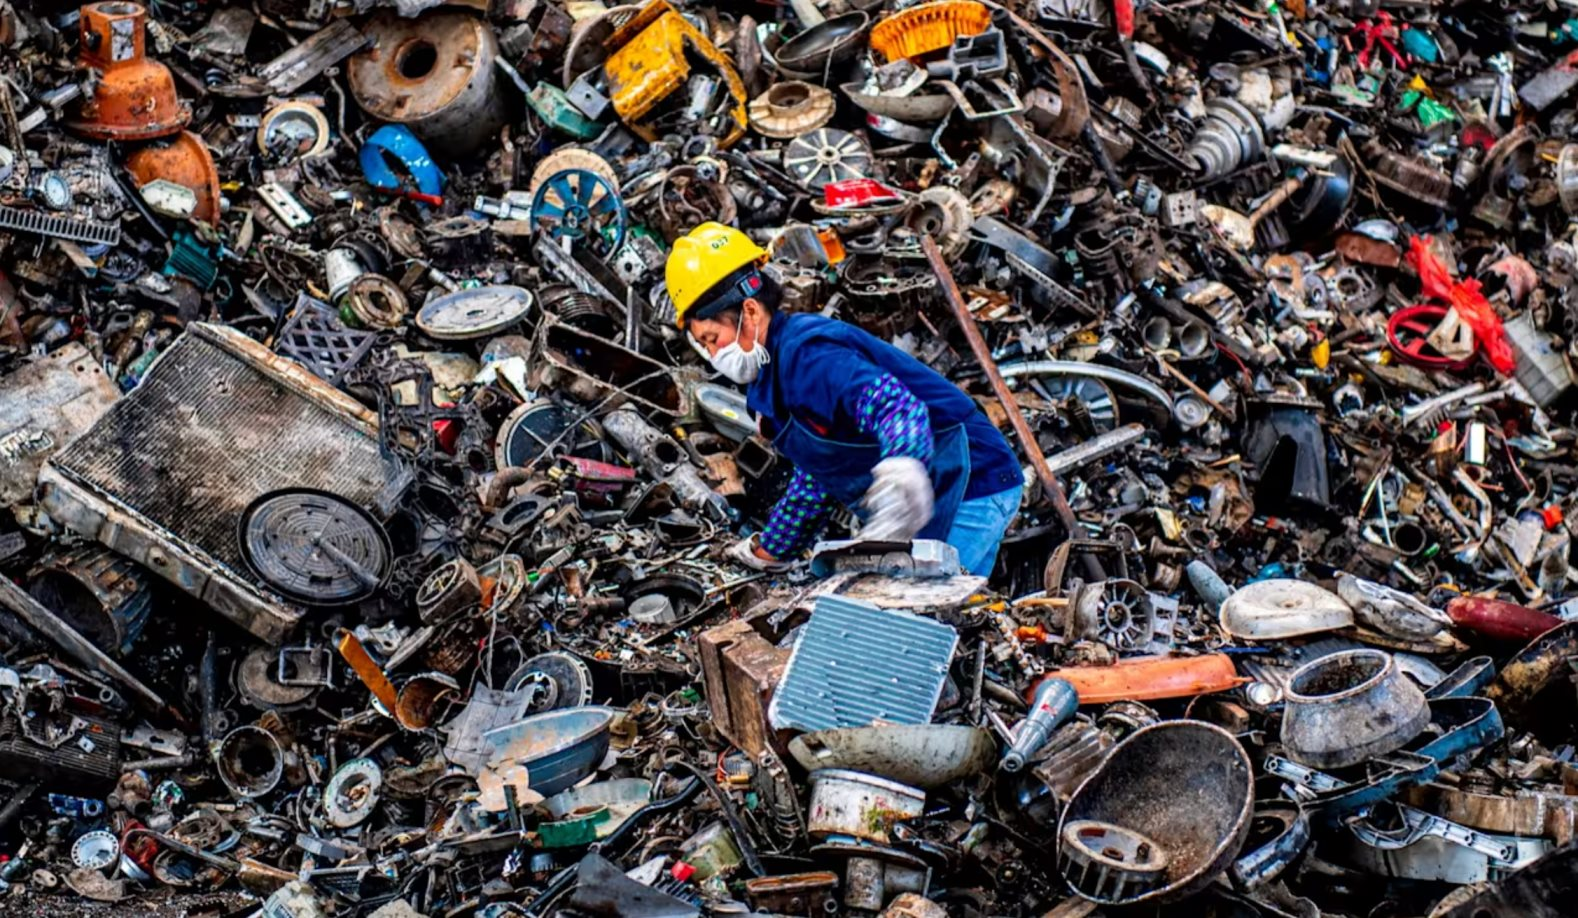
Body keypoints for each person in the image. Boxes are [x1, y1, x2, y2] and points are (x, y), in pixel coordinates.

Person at [666, 222, 1025, 576]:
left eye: (713, 338)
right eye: (705, 345)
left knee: (924, 605)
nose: (714, 354)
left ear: (750, 312)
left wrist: (902, 472)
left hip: (971, 483)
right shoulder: (771, 381)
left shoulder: (810, 356)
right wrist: (768, 551)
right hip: (931, 497)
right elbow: (817, 475)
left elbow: (894, 406)